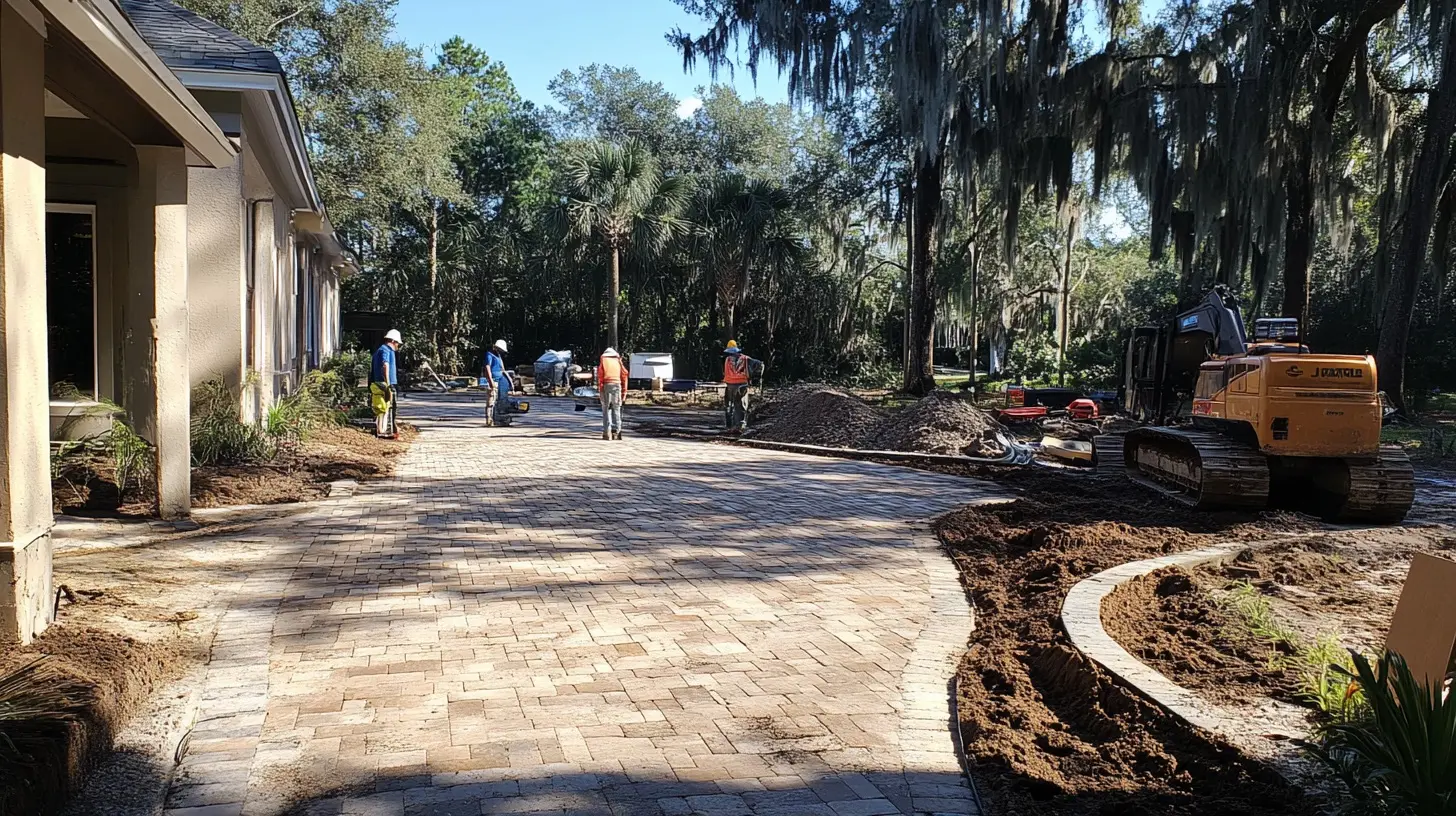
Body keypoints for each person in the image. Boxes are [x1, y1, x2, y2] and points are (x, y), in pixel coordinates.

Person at [370, 329, 403, 438]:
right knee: (389, 407)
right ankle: (387, 432)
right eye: (397, 343)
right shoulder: (387, 350)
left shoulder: (379, 351)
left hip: (379, 382)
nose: (398, 345)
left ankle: (383, 429)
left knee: (381, 407)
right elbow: (385, 365)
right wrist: (388, 384)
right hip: (386, 384)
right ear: (393, 341)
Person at [723, 340, 757, 432]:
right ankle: (739, 424)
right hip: (741, 384)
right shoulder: (746, 359)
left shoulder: (727, 360)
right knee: (740, 405)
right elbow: (758, 365)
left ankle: (731, 425)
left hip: (730, 384)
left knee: (730, 405)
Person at [597, 347, 628, 440]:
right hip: (617, 385)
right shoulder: (618, 360)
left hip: (607, 384)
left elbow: (600, 375)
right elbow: (625, 374)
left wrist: (600, 390)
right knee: (616, 408)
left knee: (606, 408)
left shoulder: (603, 359)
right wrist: (624, 392)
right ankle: (617, 432)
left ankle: (607, 433)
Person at [482, 339, 509, 427]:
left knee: (498, 401)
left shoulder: (498, 356)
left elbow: (502, 368)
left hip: (500, 380)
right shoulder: (489, 355)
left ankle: (496, 419)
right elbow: (487, 368)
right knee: (491, 401)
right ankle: (489, 420)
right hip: (493, 380)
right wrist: (490, 381)